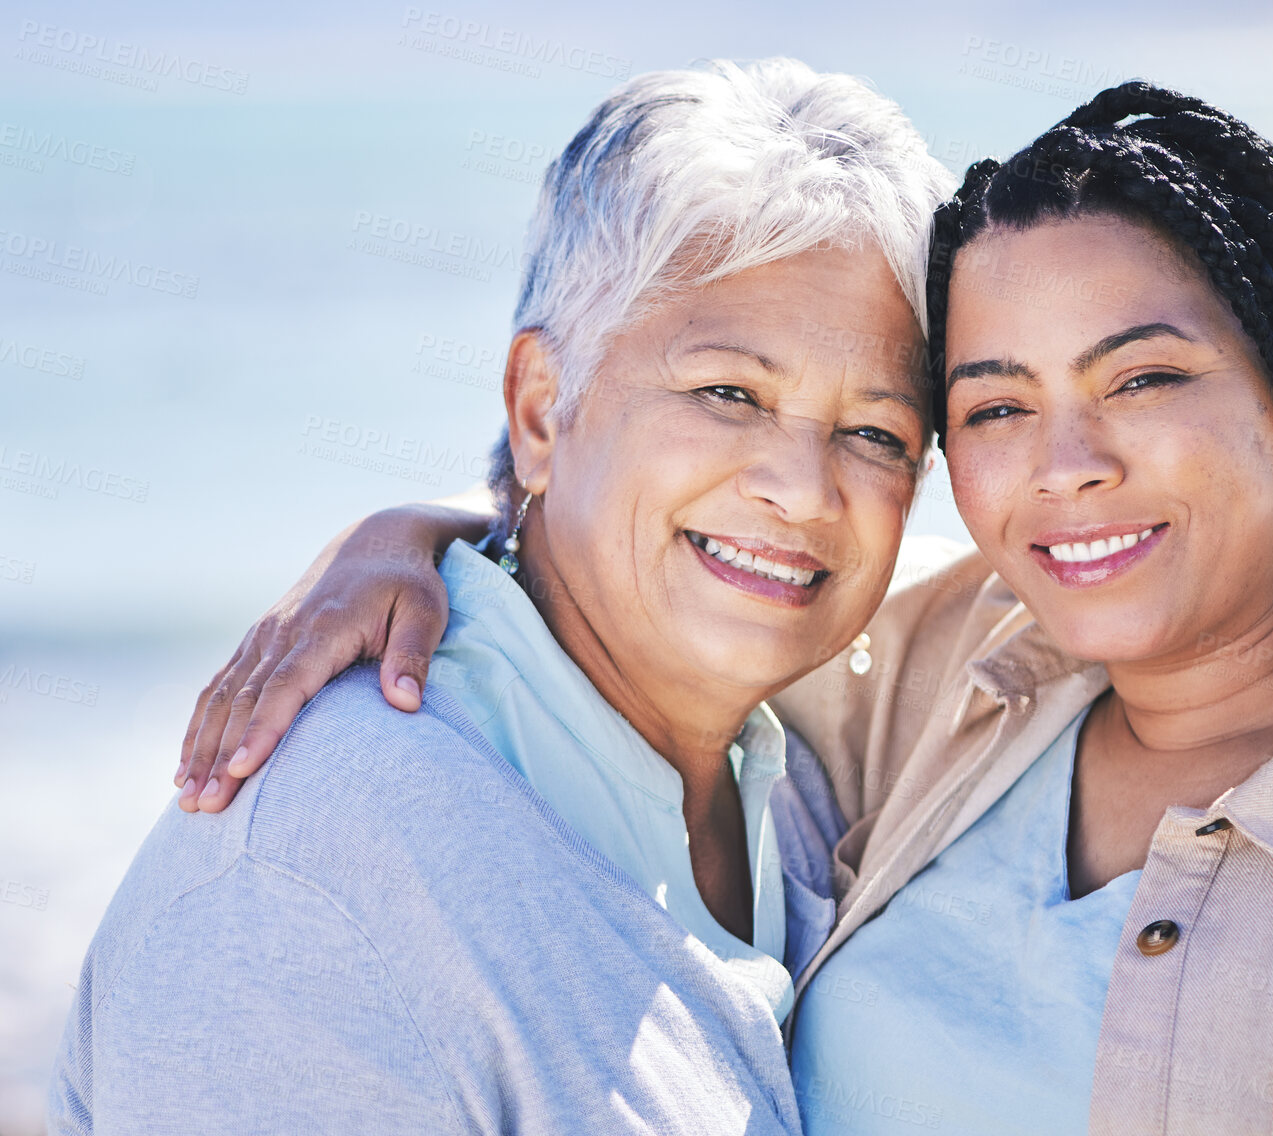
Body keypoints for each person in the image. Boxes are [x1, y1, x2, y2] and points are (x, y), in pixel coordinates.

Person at [172, 84, 1273, 1134]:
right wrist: (432, 533)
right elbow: (668, 600)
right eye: (993, 407)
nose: (1066, 465)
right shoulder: (965, 682)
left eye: (1142, 377)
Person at [48, 58, 951, 1134]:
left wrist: (420, 523)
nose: (803, 492)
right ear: (538, 408)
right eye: (726, 393)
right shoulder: (319, 890)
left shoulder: (799, 761)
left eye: (873, 434)